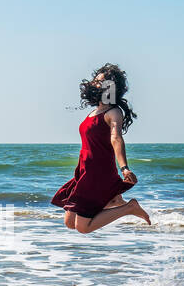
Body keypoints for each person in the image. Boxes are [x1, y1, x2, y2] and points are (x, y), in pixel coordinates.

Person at [51, 63, 151, 233]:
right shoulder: (94, 112)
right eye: (96, 81)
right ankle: (113, 200)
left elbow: (116, 138)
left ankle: (129, 207)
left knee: (83, 228)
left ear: (110, 87)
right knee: (69, 222)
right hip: (85, 169)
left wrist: (125, 168)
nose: (95, 84)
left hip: (98, 171)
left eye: (100, 82)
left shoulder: (113, 112)